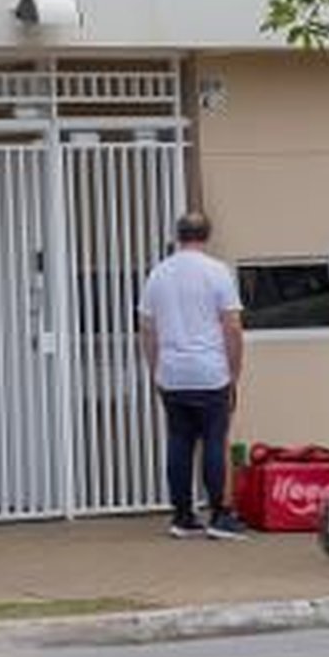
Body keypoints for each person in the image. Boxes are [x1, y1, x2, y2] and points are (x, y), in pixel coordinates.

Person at [137, 210, 247, 539]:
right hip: (210, 371)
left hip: (172, 371)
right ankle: (220, 514)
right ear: (207, 235)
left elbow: (146, 328)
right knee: (215, 439)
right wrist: (234, 371)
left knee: (179, 440)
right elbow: (233, 327)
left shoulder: (158, 274)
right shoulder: (217, 273)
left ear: (178, 235)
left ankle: (182, 514)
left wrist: (154, 368)